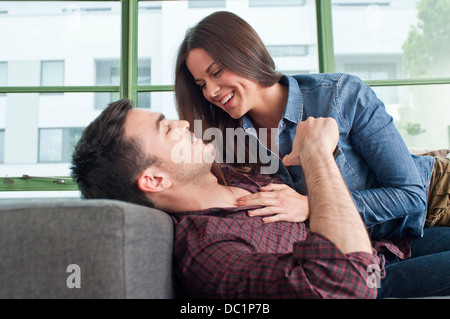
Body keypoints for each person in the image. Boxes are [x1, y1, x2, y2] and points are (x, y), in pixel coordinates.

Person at [71, 99, 450, 298]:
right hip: (376, 279)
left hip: (391, 245)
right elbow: (346, 286)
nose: (184, 123)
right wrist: (317, 153)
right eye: (167, 129)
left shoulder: (228, 176)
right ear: (154, 179)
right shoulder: (209, 252)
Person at [174, 11, 450, 239]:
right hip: (378, 242)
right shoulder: (226, 140)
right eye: (201, 85)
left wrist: (312, 206)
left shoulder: (342, 95)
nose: (210, 92)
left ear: (245, 53)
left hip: (436, 198)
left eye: (217, 73)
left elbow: (410, 195)